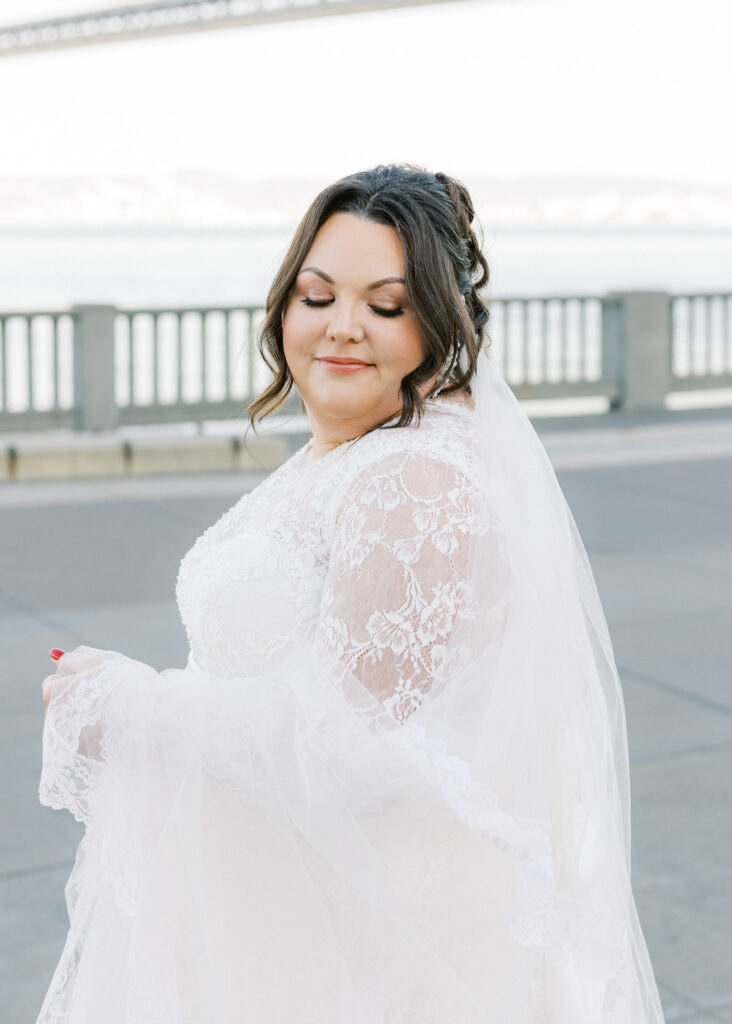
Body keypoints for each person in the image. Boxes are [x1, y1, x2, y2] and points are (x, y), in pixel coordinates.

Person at [37, 164, 666, 1023]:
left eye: (386, 305)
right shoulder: (351, 452)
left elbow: (356, 757)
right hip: (274, 909)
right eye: (318, 295)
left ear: (437, 324)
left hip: (346, 956)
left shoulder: (413, 478)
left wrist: (127, 709)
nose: (342, 327)